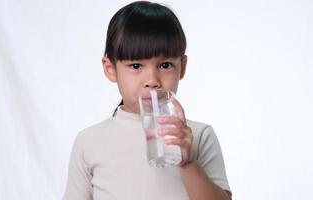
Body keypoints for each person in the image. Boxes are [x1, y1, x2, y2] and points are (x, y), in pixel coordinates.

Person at [63, 1, 231, 199]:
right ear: (110, 69)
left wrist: (188, 163)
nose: (152, 80)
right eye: (136, 66)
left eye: (166, 65)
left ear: (182, 67)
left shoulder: (199, 136)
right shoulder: (89, 143)